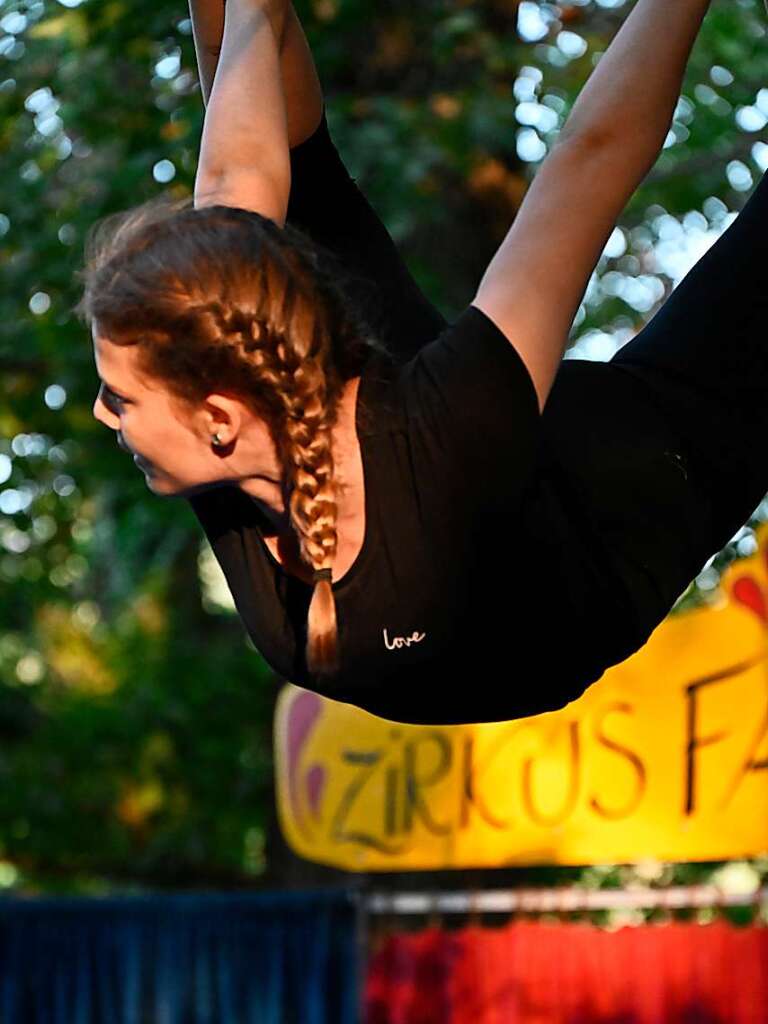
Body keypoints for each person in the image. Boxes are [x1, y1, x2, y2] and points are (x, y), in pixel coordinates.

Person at [79, 0, 766, 725]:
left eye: (118, 397)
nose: (102, 412)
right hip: (466, 505)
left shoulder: (440, 430)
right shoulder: (240, 425)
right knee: (284, 205)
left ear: (218, 419)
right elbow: (233, 178)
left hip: (642, 475)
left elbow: (593, 157)